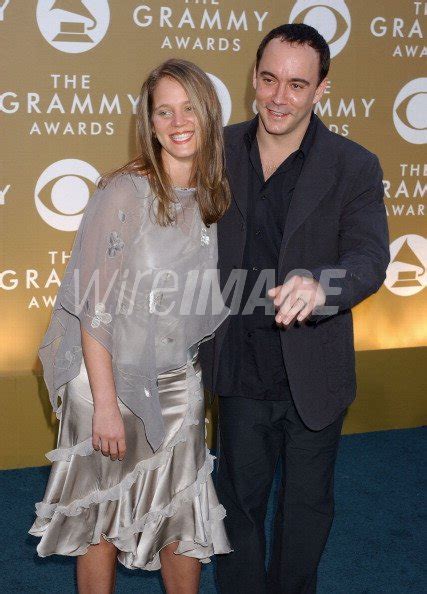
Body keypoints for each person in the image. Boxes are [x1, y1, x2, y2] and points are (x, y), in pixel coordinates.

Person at [29, 58, 232, 594]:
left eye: (189, 107)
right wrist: (104, 405)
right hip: (107, 385)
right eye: (164, 111)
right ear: (150, 122)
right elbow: (92, 311)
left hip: (177, 380)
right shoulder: (124, 194)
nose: (178, 121)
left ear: (209, 114)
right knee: (98, 518)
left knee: (183, 514)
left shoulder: (214, 195)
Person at [199, 24, 390, 594]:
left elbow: (369, 257)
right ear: (254, 78)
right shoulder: (217, 149)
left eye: (297, 84)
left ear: (322, 89)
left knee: (306, 513)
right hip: (237, 365)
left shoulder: (353, 164)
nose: (279, 97)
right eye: (268, 79)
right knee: (237, 510)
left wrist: (322, 285)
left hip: (315, 369)